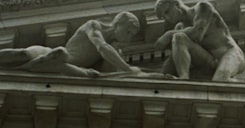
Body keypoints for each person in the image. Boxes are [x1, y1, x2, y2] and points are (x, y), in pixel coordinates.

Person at [0, 12, 142, 77]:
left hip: (64, 64)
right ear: (118, 24)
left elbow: (109, 76)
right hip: (50, 52)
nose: (129, 38)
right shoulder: (94, 26)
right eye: (128, 32)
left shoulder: (115, 49)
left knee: (60, 56)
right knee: (22, 54)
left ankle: (39, 64)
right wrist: (128, 68)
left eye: (132, 35)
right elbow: (102, 47)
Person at [154, 0, 245, 81]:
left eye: (167, 12)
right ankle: (184, 78)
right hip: (210, 61)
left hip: (229, 53)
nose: (167, 18)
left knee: (219, 80)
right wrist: (162, 76)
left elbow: (197, 34)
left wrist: (168, 35)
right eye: (164, 17)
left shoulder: (202, 7)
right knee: (178, 38)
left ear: (177, 5)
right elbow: (173, 59)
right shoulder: (179, 29)